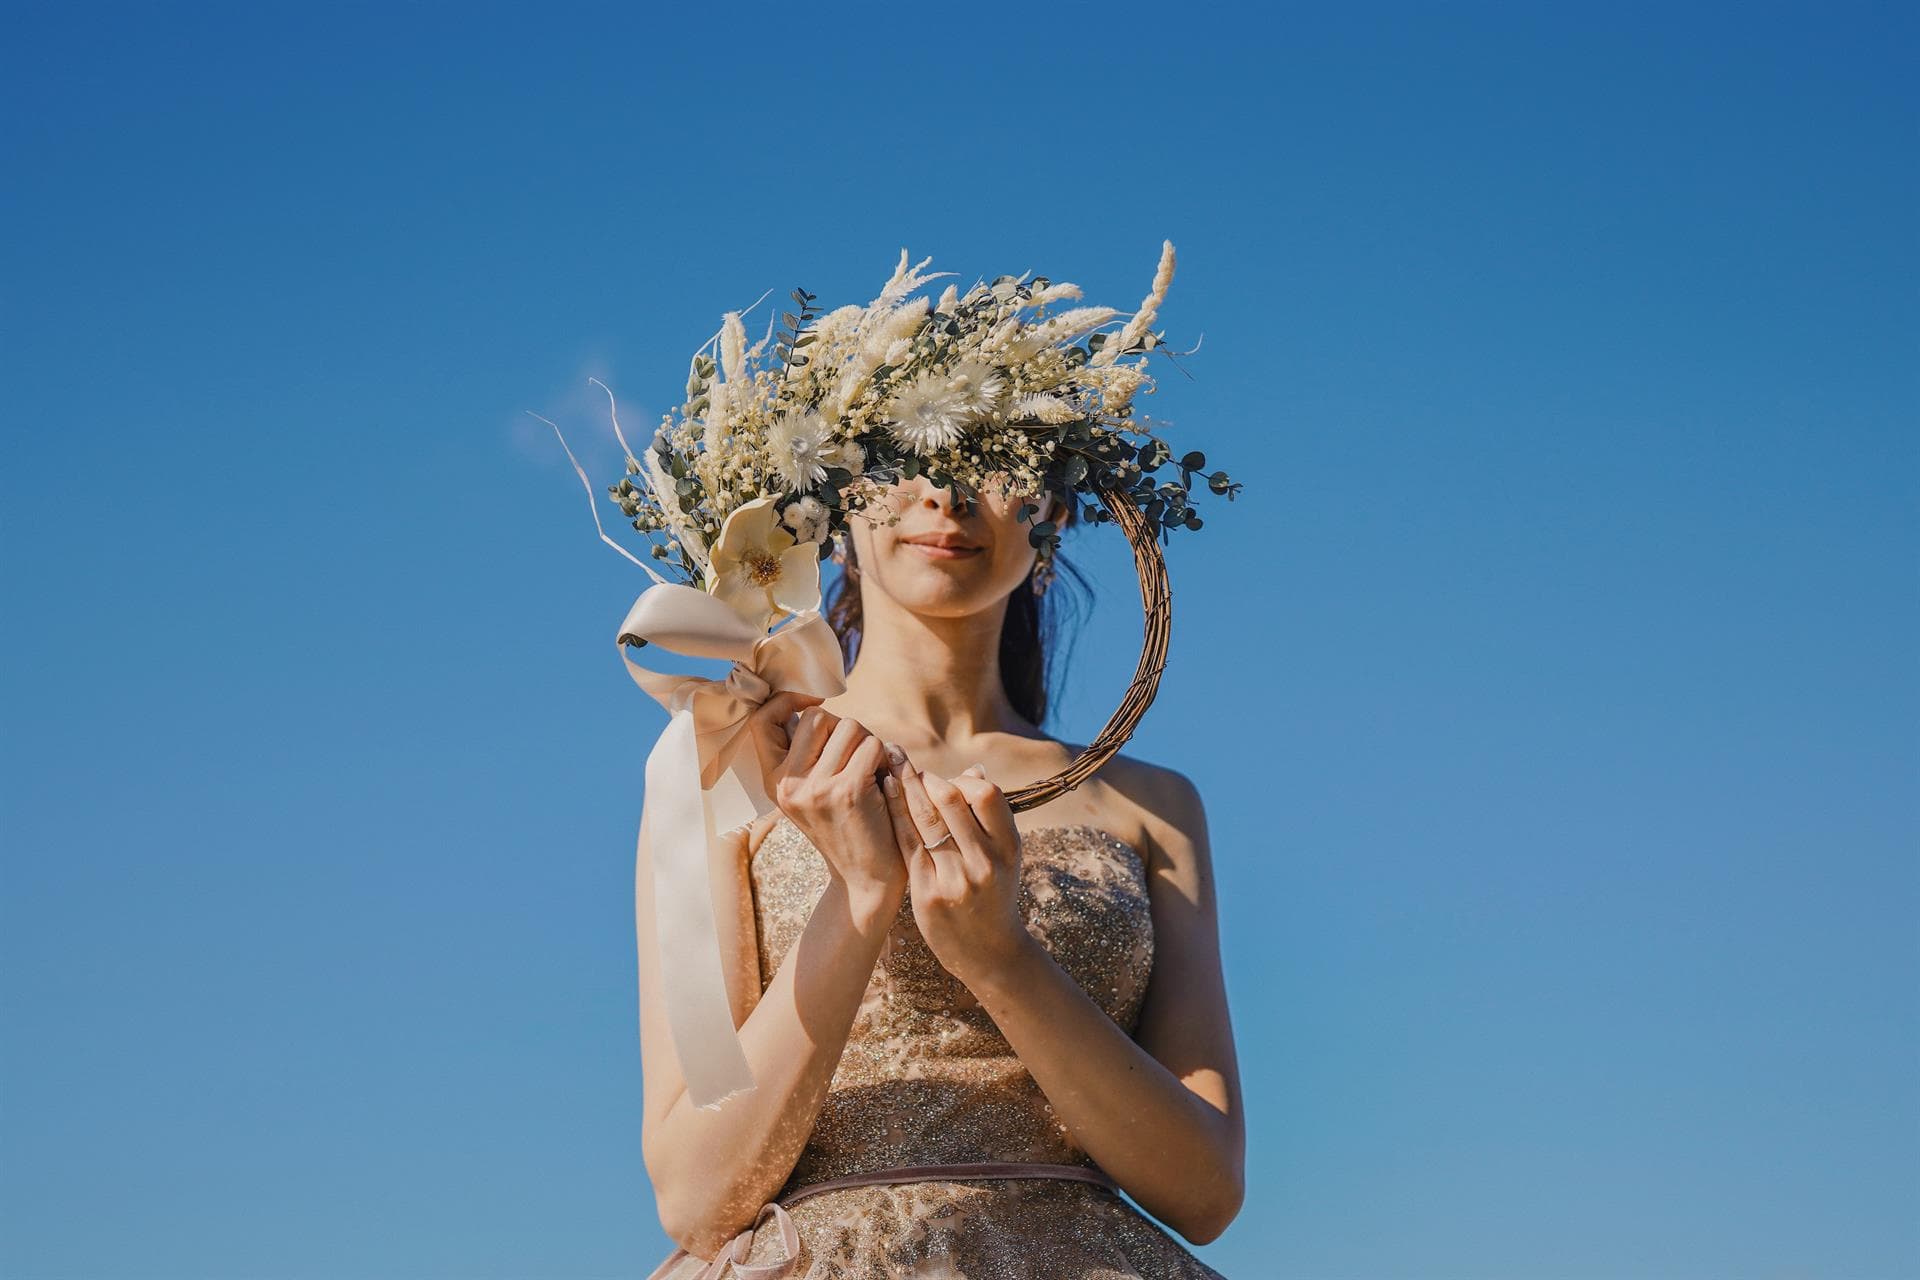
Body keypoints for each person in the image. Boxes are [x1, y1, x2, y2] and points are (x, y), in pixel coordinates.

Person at [638, 471, 1245, 1279]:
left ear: (1053, 507)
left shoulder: (1154, 805)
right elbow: (697, 1196)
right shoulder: (733, 770)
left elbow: (1205, 1194)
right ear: (827, 503)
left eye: (1000, 463)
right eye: (896, 464)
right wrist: (857, 898)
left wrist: (1001, 958)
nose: (947, 498)